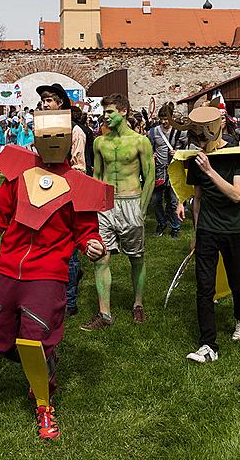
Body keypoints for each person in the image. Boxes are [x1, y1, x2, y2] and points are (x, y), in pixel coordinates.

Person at [0, 109, 112, 440]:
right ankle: (44, 358)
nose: (51, 145)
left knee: (32, 340)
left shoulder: (78, 185)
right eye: (45, 138)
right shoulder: (18, 174)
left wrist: (93, 246)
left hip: (48, 272)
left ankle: (44, 404)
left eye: (58, 138)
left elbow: (86, 230)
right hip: (8, 268)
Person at [169, 104, 240, 363]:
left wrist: (209, 170)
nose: (199, 142)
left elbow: (236, 195)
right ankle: (208, 345)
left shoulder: (237, 156)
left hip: (235, 230)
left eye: (202, 136)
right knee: (204, 288)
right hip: (207, 229)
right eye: (195, 137)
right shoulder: (197, 160)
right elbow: (198, 197)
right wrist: (196, 232)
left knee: (237, 281)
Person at [81, 93, 155, 330]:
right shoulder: (99, 142)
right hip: (106, 205)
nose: (106, 116)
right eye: (104, 112)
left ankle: (138, 304)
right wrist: (94, 206)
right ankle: (104, 313)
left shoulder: (140, 141)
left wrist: (141, 211)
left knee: (136, 257)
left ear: (123, 111)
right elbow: (97, 176)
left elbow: (150, 176)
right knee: (101, 256)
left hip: (131, 201)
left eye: (110, 112)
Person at [36, 83, 87, 317]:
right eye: (43, 101)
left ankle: (69, 301)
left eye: (49, 100)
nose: (45, 105)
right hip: (44, 192)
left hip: (66, 193)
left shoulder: (74, 131)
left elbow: (80, 168)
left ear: (60, 103)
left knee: (70, 250)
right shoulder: (40, 128)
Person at [148, 105, 187, 238]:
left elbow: (188, 149)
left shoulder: (179, 132)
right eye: (162, 119)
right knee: (155, 200)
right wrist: (151, 154)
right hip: (159, 171)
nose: (164, 122)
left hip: (174, 170)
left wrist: (179, 152)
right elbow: (149, 148)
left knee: (173, 201)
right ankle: (162, 223)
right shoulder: (153, 132)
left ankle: (175, 226)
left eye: (166, 119)